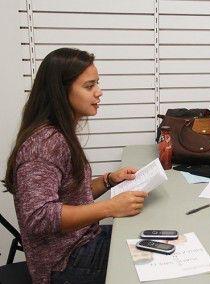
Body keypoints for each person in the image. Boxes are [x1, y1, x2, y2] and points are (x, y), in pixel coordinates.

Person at [3, 48, 148, 283]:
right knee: (155, 263)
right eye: (89, 86)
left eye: (97, 84)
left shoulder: (59, 134)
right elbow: (39, 216)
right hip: (64, 263)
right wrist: (110, 207)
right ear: (61, 92)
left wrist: (108, 180)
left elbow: (68, 198)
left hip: (83, 241)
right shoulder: (44, 144)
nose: (99, 92)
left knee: (155, 237)